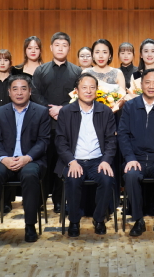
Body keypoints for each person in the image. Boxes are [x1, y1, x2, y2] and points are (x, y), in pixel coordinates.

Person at [0, 74, 50, 244]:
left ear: (30, 91)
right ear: (9, 92)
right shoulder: (0, 112)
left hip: (31, 159)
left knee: (30, 175)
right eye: (15, 89)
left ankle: (30, 225)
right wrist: (3, 158)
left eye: (23, 89)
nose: (19, 93)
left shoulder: (41, 111)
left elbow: (43, 141)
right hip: (5, 159)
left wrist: (27, 158)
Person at [55, 73, 116, 237]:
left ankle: (99, 219)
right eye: (84, 87)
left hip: (98, 160)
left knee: (107, 179)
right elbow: (60, 141)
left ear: (97, 90)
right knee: (73, 179)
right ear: (76, 90)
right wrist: (71, 161)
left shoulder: (105, 111)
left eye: (92, 88)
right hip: (75, 160)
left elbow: (111, 140)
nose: (88, 91)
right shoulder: (66, 111)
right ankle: (74, 221)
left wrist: (106, 161)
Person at [118, 69, 154, 237]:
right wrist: (130, 158)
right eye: (147, 82)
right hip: (135, 159)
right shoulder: (130, 106)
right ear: (141, 84)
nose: (151, 86)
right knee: (131, 175)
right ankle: (138, 220)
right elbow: (123, 134)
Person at [32, 32, 82, 214]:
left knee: (63, 163)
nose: (60, 48)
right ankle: (40, 199)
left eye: (64, 45)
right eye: (57, 45)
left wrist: (62, 109)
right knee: (45, 163)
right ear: (51, 48)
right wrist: (50, 109)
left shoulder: (77, 71)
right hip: (45, 125)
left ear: (69, 48)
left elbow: (80, 95)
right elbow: (35, 94)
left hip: (67, 125)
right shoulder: (41, 70)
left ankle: (60, 201)